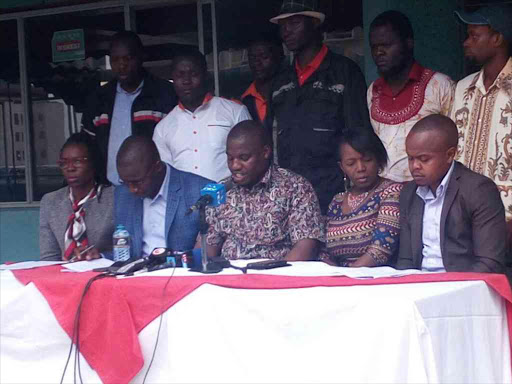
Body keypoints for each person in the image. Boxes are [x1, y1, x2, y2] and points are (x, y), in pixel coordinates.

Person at [270, 0, 372, 214]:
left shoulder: (345, 72)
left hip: (334, 193)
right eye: (283, 25)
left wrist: (355, 191)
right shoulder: (280, 81)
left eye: (294, 23)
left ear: (315, 23)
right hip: (291, 197)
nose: (286, 31)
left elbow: (358, 134)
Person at [396, 114, 507, 273]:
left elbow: (489, 263)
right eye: (410, 158)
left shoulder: (478, 190)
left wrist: (451, 289)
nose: (415, 166)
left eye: (424, 159)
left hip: (464, 287)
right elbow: (405, 260)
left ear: (449, 155)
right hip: (419, 287)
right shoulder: (409, 193)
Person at [205, 120, 325, 261]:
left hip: (279, 276)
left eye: (244, 158)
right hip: (230, 276)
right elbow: (210, 246)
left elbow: (306, 246)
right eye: (230, 158)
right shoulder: (222, 191)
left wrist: (275, 280)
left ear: (265, 152)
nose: (235, 165)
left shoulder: (295, 187)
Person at [451, 5, 512, 253]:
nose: (466, 43)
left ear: (497, 38)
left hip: (506, 220)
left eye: (474, 36)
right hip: (461, 220)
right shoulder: (462, 88)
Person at [368, 10, 454, 182]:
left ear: (409, 43)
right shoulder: (373, 90)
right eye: (374, 47)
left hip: (428, 193)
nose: (379, 52)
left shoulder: (439, 85)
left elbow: (457, 146)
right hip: (384, 196)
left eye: (386, 45)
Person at [83, 31, 177, 185]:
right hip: (108, 190)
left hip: (153, 188)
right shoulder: (99, 99)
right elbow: (87, 147)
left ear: (141, 57)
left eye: (128, 58)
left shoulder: (165, 94)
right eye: (115, 60)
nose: (121, 65)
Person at [153, 49, 252, 182]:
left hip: (232, 199)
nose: (186, 81)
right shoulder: (163, 128)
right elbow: (166, 177)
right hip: (187, 202)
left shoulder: (234, 111)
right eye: (180, 75)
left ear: (205, 75)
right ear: (173, 79)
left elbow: (252, 161)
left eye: (193, 74)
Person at [115, 136, 211, 259]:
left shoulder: (201, 191)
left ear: (157, 167)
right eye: (125, 182)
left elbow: (211, 251)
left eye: (138, 182)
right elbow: (123, 252)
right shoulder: (122, 194)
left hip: (182, 273)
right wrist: (99, 255)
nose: (132, 190)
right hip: (136, 274)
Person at [322, 130, 402, 267]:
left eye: (367, 160)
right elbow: (324, 250)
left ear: (378, 159)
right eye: (351, 163)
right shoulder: (337, 201)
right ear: (342, 167)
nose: (360, 168)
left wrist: (348, 278)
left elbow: (380, 250)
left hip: (376, 279)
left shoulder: (391, 192)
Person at [40, 133, 115, 261]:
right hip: (62, 276)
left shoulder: (113, 198)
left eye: (77, 161)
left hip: (104, 273)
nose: (70, 168)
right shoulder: (50, 202)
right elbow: (49, 257)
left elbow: (125, 248)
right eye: (64, 163)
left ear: (93, 163)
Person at [241, 35, 284, 132]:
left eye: (264, 57)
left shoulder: (291, 92)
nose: (257, 63)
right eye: (252, 57)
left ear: (280, 57)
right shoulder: (244, 100)